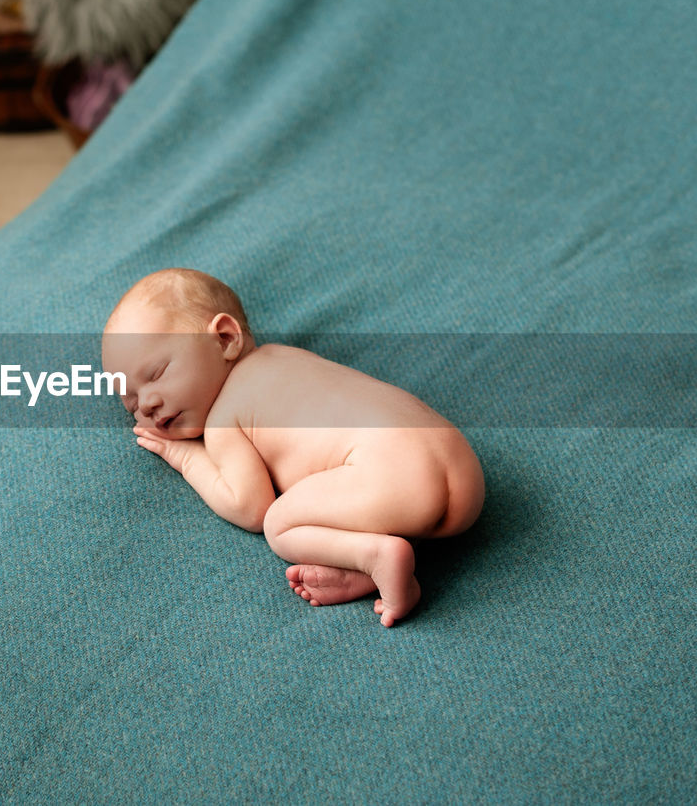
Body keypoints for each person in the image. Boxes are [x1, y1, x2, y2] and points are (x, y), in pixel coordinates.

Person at [101, 268, 485, 627]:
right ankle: (372, 560)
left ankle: (376, 556)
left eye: (156, 374)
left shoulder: (223, 420)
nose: (147, 404)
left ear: (224, 339)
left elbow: (248, 506)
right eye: (131, 403)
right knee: (383, 497)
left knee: (279, 524)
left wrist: (185, 457)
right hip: (460, 469)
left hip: (390, 477)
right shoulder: (286, 357)